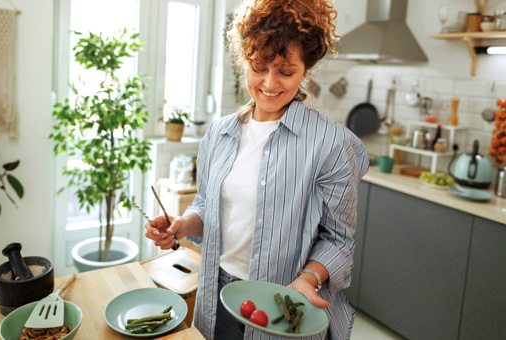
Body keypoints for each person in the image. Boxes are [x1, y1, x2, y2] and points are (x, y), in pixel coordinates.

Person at [145, 0, 369, 339]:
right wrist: (181, 225)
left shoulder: (332, 143)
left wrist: (308, 279)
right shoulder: (219, 134)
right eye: (258, 67)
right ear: (242, 62)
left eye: (286, 71)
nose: (270, 83)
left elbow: (338, 240)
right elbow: (207, 207)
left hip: (285, 301)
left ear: (306, 67)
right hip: (216, 294)